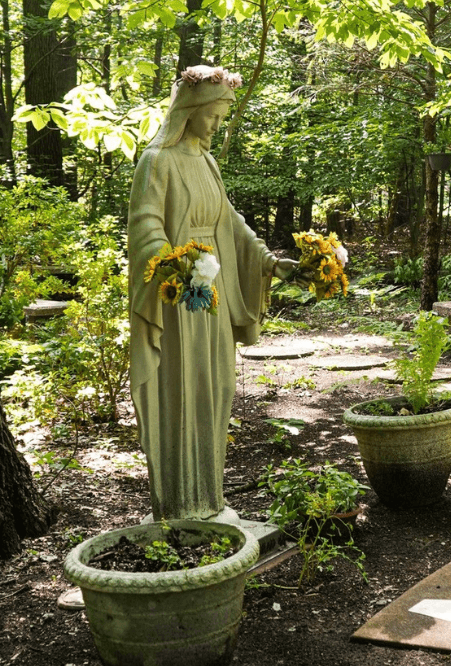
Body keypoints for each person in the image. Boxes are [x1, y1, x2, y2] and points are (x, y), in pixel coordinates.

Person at [127, 65, 298, 523]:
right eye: (215, 115)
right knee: (182, 387)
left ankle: (209, 498)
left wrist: (267, 260)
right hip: (179, 295)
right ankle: (180, 502)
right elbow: (145, 227)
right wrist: (175, 268)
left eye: (223, 115)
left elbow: (230, 222)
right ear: (192, 109)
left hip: (213, 289)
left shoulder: (206, 161)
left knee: (216, 387)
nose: (219, 124)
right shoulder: (156, 161)